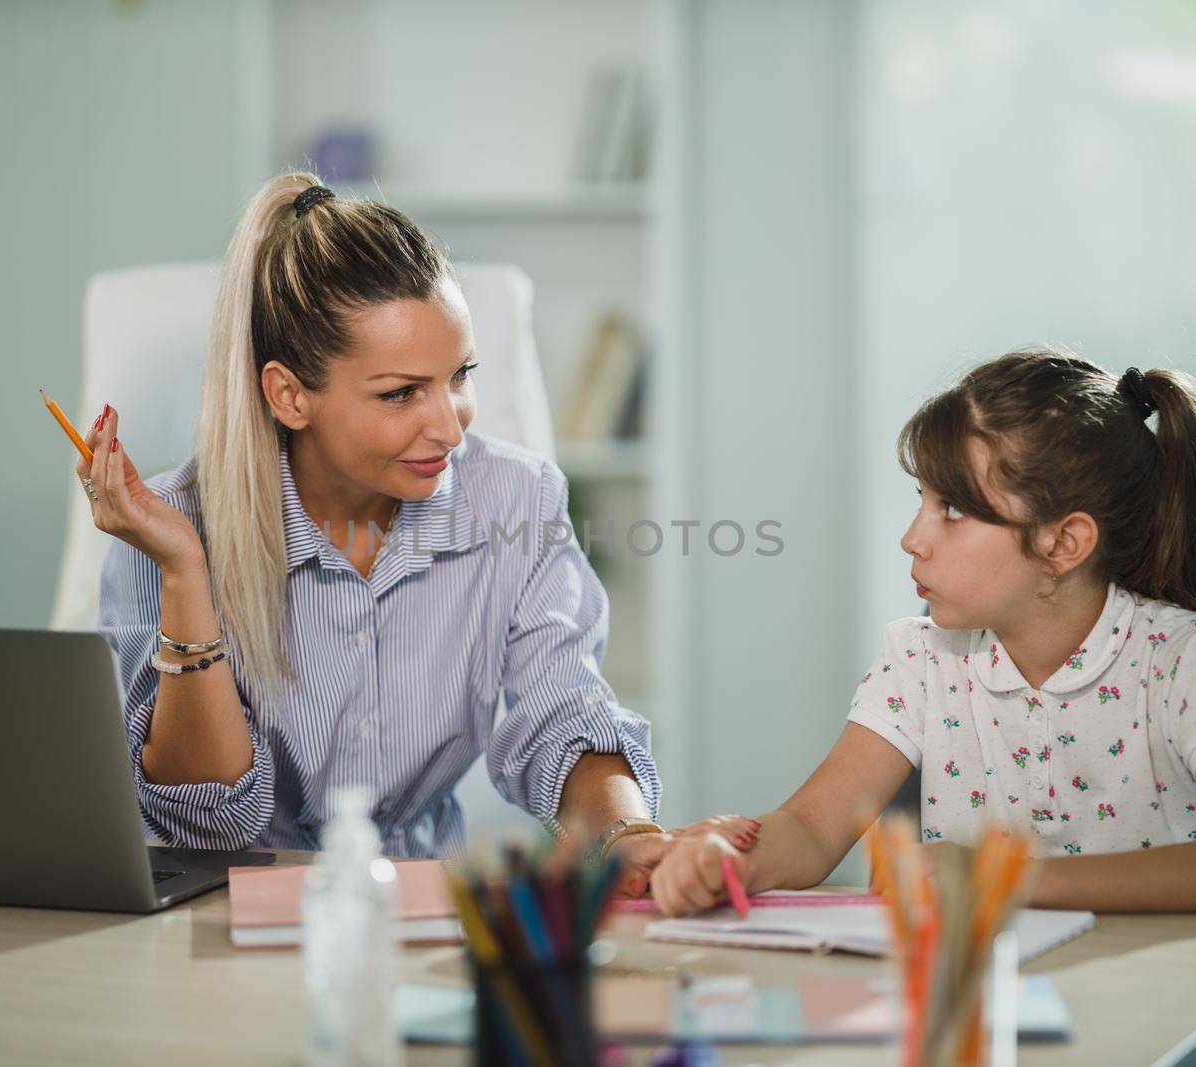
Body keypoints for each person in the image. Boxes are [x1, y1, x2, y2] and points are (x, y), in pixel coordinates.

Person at [650, 349, 1196, 1064]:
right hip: (996, 1031)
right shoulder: (920, 658)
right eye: (923, 501)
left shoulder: (1190, 656)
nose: (913, 537)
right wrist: (729, 861)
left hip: (1176, 1030)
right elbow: (810, 824)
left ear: (1064, 541)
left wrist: (1010, 879)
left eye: (953, 509)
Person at [76, 171, 717, 886]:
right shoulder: (166, 532)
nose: (450, 425)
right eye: (401, 393)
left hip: (420, 909)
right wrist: (185, 573)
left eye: (460, 377)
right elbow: (208, 827)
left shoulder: (517, 499)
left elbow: (564, 711)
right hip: (220, 914)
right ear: (289, 395)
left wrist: (625, 833)